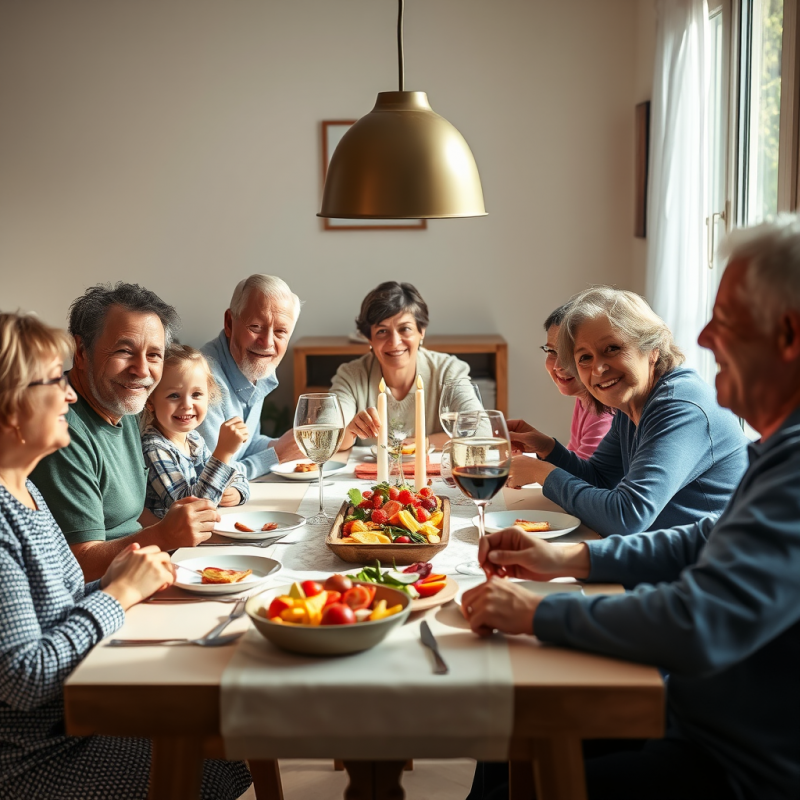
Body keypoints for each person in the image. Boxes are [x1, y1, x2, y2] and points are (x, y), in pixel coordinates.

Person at [462, 217, 800, 800]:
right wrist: (562, 558)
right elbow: (700, 538)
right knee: (511, 739)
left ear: (789, 334)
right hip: (695, 720)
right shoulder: (776, 447)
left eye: (726, 321)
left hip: (737, 764)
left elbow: (699, 619)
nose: (703, 338)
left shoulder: (775, 456)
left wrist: (537, 615)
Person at [0, 312, 251, 800]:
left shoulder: (25, 489)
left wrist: (127, 577)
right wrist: (117, 593)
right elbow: (25, 679)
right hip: (32, 758)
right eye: (57, 381)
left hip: (72, 718)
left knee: (226, 747)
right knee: (213, 764)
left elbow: (59, 604)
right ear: (10, 405)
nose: (71, 395)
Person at [507, 287, 748, 536]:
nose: (598, 368)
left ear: (653, 349)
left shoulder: (680, 407)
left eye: (612, 349)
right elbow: (600, 479)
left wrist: (541, 472)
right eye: (584, 358)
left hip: (717, 564)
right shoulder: (633, 403)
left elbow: (626, 517)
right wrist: (547, 448)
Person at [31, 283, 220, 581]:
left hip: (144, 570)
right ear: (81, 352)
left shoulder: (125, 405)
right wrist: (164, 536)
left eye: (154, 355)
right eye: (124, 351)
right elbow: (79, 564)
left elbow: (132, 516)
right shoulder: (60, 430)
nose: (142, 370)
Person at [331, 281, 482, 449]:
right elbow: (324, 436)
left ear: (422, 331)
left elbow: (481, 431)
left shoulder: (448, 370)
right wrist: (349, 432)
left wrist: (423, 443)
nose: (394, 342)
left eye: (405, 329)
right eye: (382, 331)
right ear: (369, 339)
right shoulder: (351, 375)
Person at [198, 274, 303, 479]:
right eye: (255, 327)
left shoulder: (252, 367)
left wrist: (281, 445)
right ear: (229, 322)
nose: (267, 343)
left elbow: (246, 447)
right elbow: (209, 475)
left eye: (281, 331)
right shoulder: (203, 381)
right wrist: (276, 455)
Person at [141, 344, 250, 518]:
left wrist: (237, 492)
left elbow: (237, 477)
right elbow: (189, 509)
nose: (187, 405)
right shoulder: (154, 448)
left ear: (209, 396)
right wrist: (223, 453)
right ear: (150, 401)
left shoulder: (193, 439)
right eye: (174, 395)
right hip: (172, 543)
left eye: (197, 394)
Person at [540, 301, 612, 458]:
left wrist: (537, 465)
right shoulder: (584, 395)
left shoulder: (604, 408)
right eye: (551, 351)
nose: (559, 365)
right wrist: (540, 450)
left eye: (572, 353)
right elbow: (574, 454)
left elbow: (587, 473)